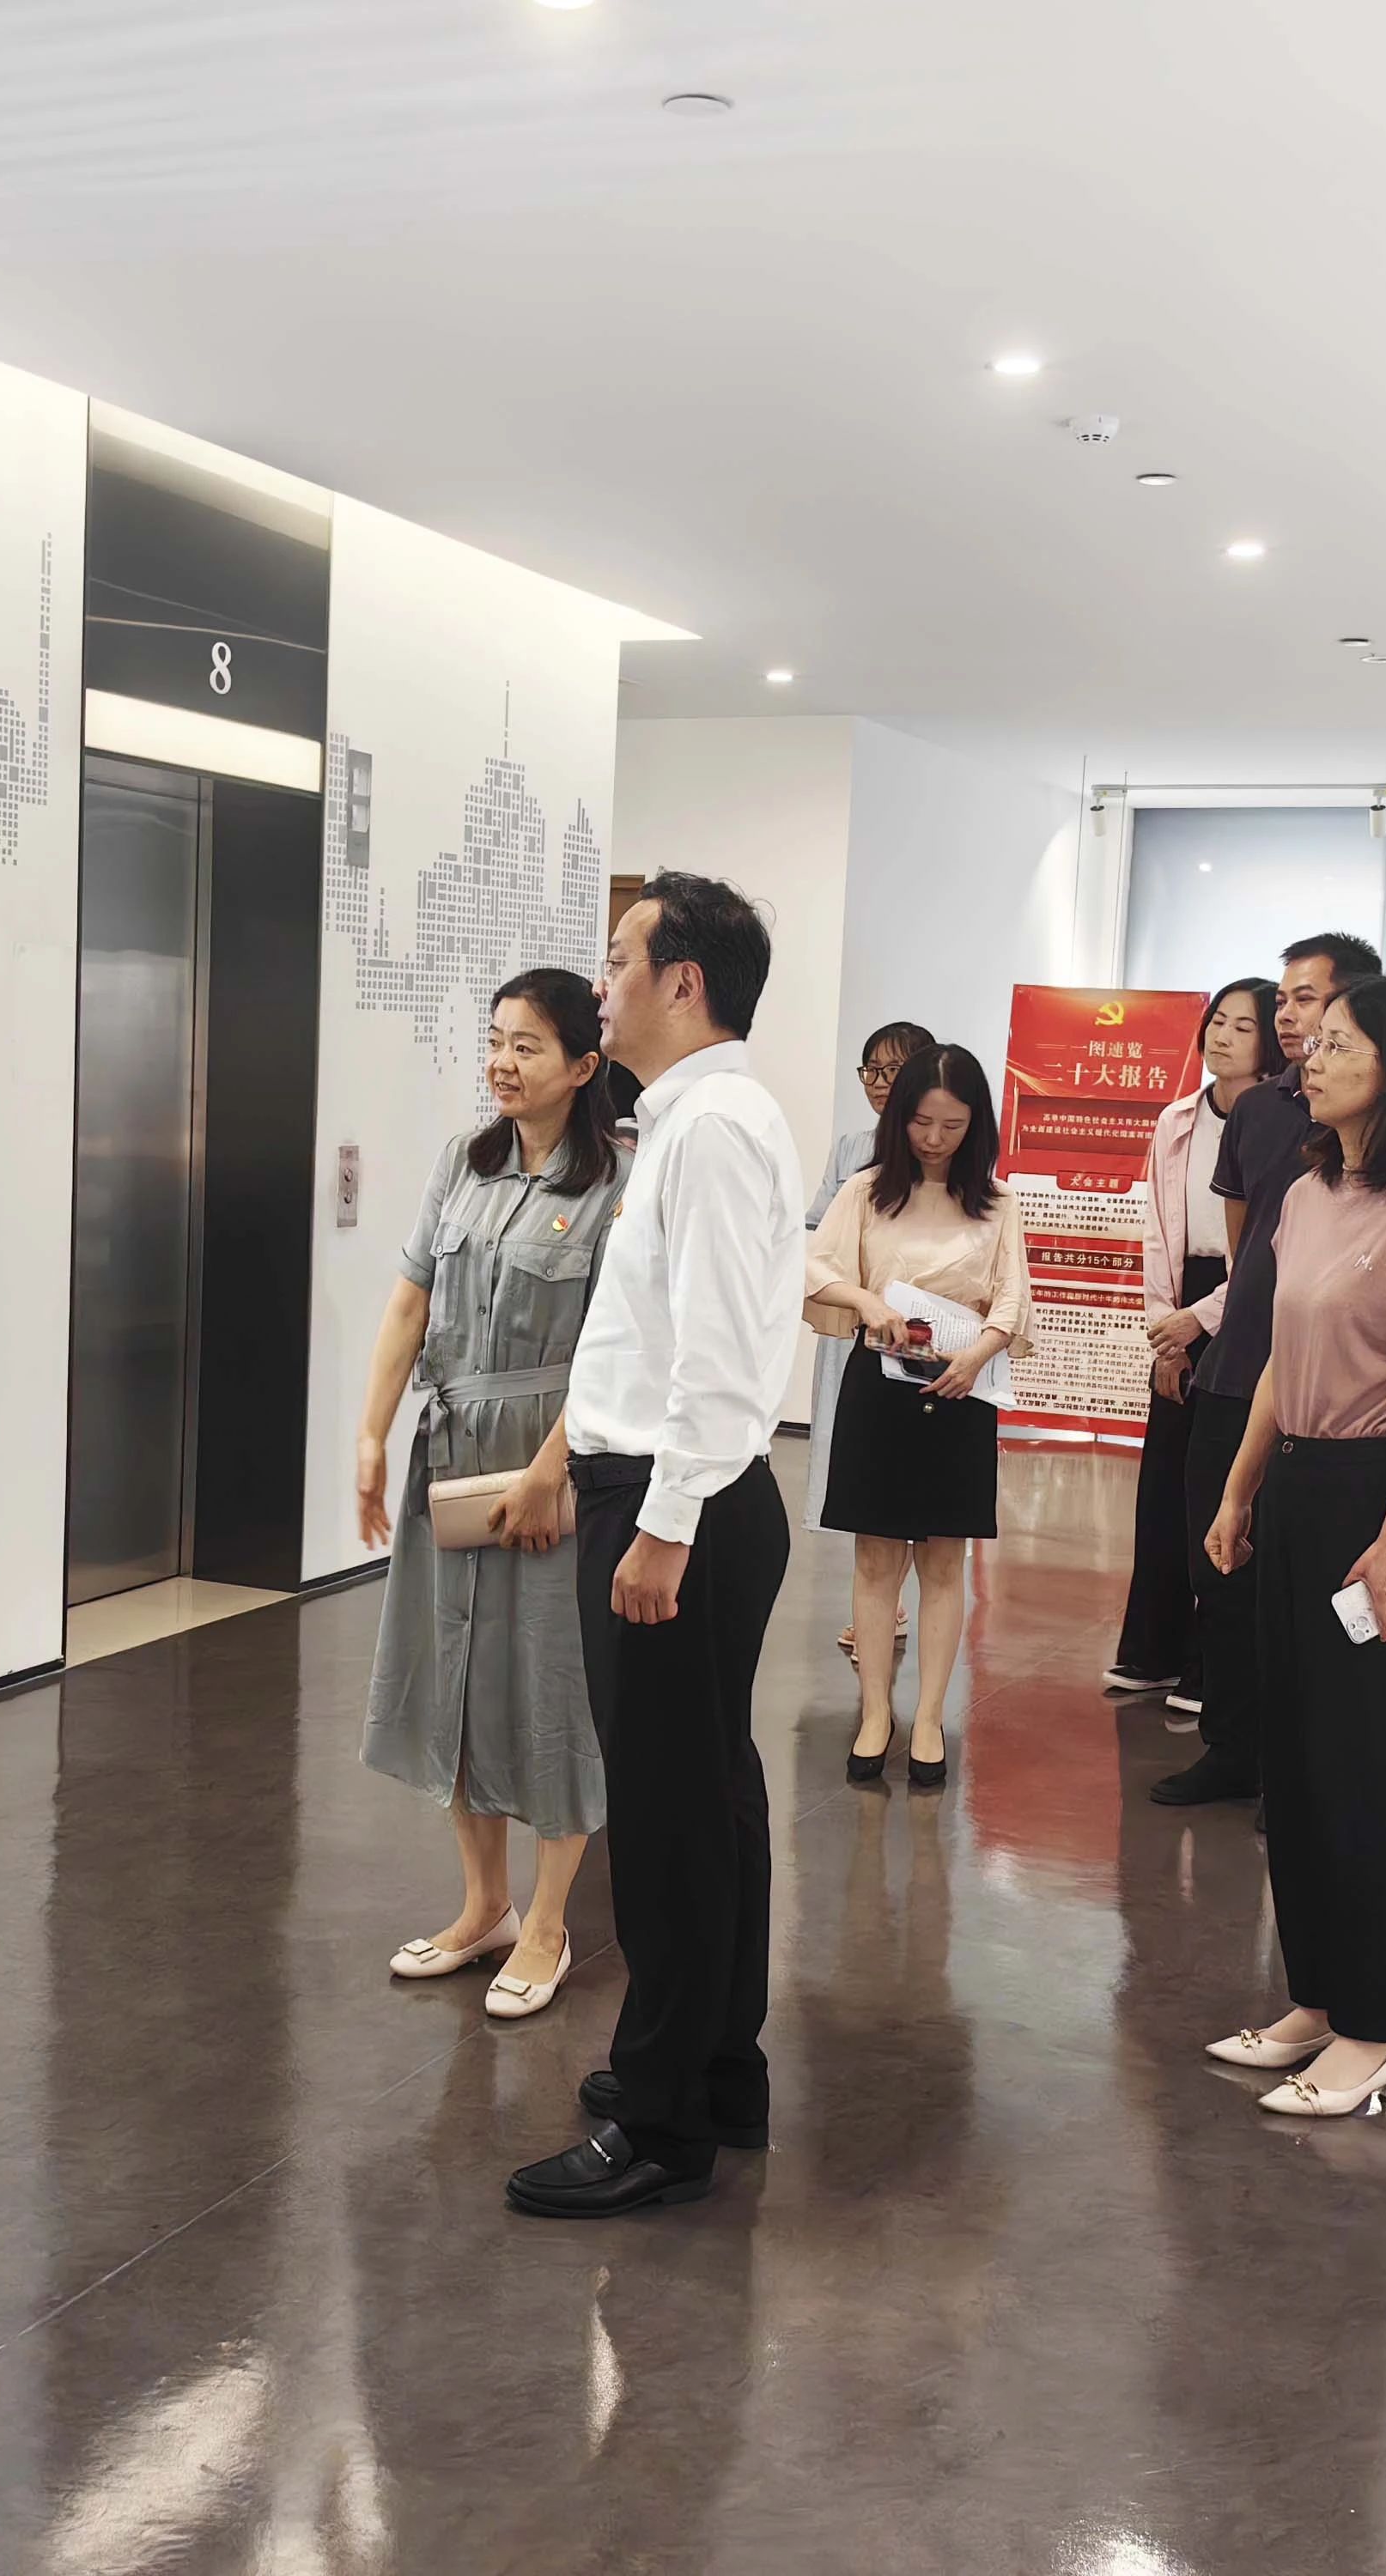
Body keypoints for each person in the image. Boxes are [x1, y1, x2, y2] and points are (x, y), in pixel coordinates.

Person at [505, 872, 805, 2221]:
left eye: (618, 959)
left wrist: (664, 1527)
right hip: (670, 1496)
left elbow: (727, 1359)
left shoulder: (716, 1129)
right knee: (709, 1798)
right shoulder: (690, 1120)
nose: (601, 981)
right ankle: (714, 2071)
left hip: (680, 1506)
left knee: (672, 1823)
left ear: (683, 981)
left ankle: (665, 2120)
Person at [1200, 972, 1386, 2117]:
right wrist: (1238, 1490)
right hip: (1297, 1489)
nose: (1309, 1055)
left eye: (1340, 1043)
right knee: (1297, 1765)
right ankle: (1315, 1999)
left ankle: (1375, 2029)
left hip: (1374, 1496)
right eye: (1315, 1042)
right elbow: (1278, 1358)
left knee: (1359, 1769)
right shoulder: (1309, 1192)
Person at [354, 969, 628, 2021]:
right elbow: (409, 1304)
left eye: (527, 1046)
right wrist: (372, 1435)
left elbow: (612, 1347)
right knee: (456, 1679)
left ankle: (550, 1922)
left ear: (583, 1066)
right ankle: (484, 1909)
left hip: (552, 1458)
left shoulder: (614, 1185)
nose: (502, 1064)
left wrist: (556, 1468)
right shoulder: (461, 1165)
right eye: (497, 1040)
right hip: (455, 1452)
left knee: (550, 1687)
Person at [1151, 931, 1384, 1811]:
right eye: (1281, 1000)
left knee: (1310, 1586)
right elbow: (1249, 1246)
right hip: (1240, 1369)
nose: (1287, 1016)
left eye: (1306, 999)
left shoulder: (1382, 1119)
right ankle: (1232, 1749)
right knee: (1221, 1567)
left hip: (1329, 1394)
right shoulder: (1255, 1111)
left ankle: (1298, 1768)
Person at [808, 1042, 1031, 1789]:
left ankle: (930, 1716)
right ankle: (876, 1712)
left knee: (942, 1560)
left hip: (961, 1390)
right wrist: (866, 1302)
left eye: (953, 1125)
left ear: (976, 1125)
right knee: (876, 1558)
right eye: (922, 1122)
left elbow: (1012, 1295)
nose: (935, 1139)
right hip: (880, 1385)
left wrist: (981, 1352)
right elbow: (817, 1267)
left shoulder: (996, 1202)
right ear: (899, 1117)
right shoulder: (867, 1190)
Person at [1106, 977, 1285, 1709]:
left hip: (1247, 1302)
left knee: (1224, 1490)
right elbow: (1157, 1230)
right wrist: (1168, 1334)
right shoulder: (1177, 1118)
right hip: (1182, 1300)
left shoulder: (1281, 1122)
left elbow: (1265, 1248)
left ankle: (1212, 1668)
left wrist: (1202, 1320)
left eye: (1244, 1027)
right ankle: (1152, 1649)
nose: (1222, 1036)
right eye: (1217, 1022)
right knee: (1165, 1487)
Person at [806, 1020, 939, 1641]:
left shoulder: (941, 1150)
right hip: (853, 1329)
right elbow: (816, 1231)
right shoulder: (849, 1148)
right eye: (872, 1071)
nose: (882, 1083)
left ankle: (891, 1606)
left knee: (908, 1465)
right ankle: (879, 1605)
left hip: (917, 1332)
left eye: (896, 1070)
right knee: (857, 1467)